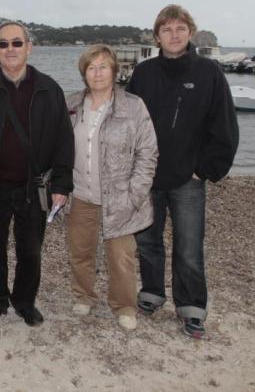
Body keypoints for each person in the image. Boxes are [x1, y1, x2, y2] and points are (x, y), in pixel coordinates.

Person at [127, 4, 239, 339]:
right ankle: (151, 293)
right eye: (166, 29)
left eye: (180, 29)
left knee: (189, 247)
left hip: (188, 178)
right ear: (157, 36)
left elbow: (225, 126)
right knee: (147, 241)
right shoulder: (143, 73)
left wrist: (205, 171)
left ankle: (191, 306)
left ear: (190, 33)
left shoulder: (209, 72)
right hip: (147, 176)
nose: (173, 35)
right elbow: (128, 123)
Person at [0, 21, 74, 327]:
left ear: (29, 47)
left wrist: (62, 185)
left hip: (34, 188)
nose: (10, 49)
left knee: (31, 252)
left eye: (16, 43)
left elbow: (64, 141)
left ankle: (24, 302)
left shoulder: (49, 90)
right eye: (3, 44)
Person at [65, 44, 158, 331]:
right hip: (80, 193)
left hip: (120, 197)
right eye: (91, 68)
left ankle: (124, 305)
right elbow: (57, 146)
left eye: (103, 67)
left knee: (121, 257)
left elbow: (147, 152)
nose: (97, 73)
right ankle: (84, 295)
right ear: (84, 73)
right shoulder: (71, 104)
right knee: (80, 251)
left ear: (115, 70)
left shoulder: (133, 106)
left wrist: (135, 194)